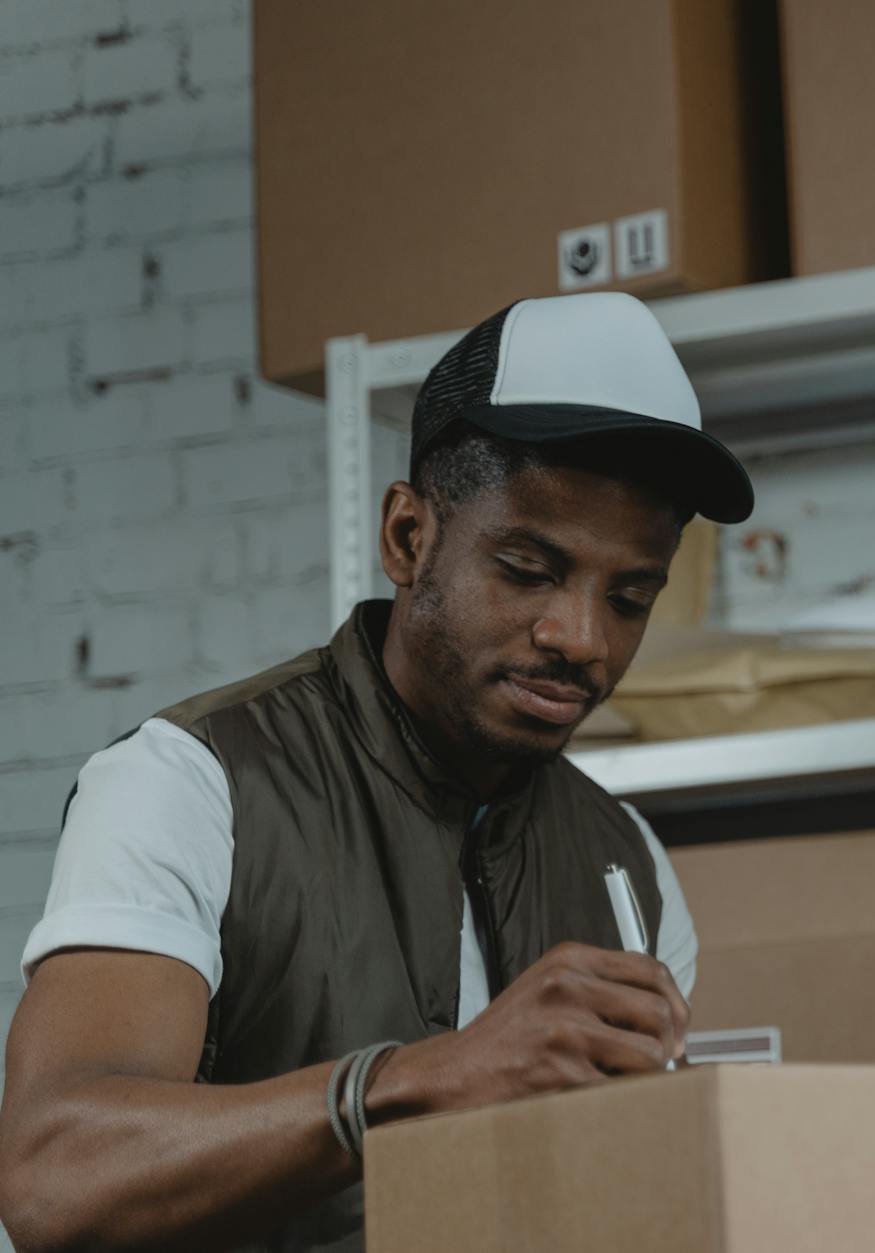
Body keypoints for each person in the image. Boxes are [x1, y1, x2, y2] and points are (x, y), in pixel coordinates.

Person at [0, 291, 755, 1253]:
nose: (581, 638)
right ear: (408, 537)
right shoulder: (192, 783)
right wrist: (413, 1080)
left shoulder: (628, 864)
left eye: (631, 597)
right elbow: (52, 1173)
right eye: (528, 569)